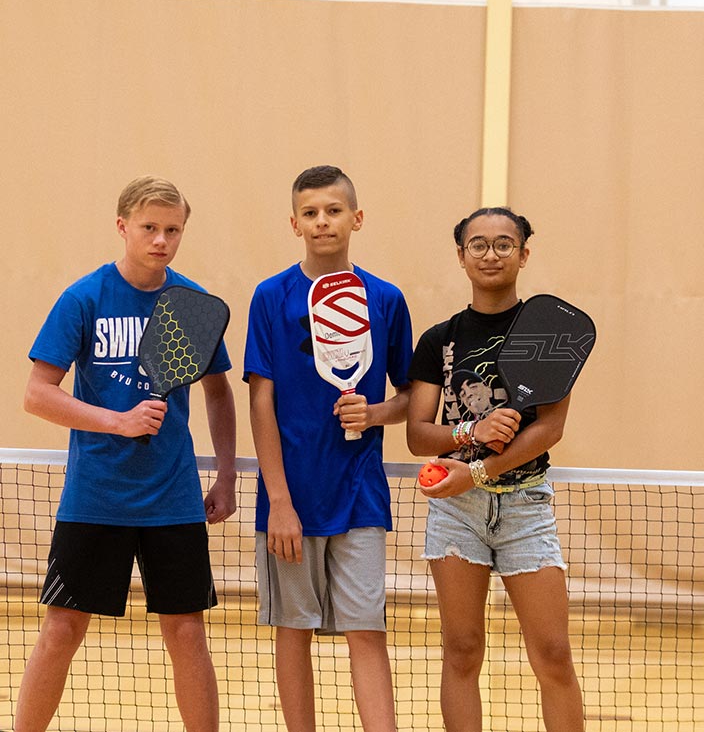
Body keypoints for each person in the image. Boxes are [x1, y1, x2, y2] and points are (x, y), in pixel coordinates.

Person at [16, 175, 237, 732]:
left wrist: (228, 475)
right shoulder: (84, 298)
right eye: (149, 228)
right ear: (122, 227)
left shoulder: (190, 304)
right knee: (62, 628)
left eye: (173, 230)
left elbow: (218, 393)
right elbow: (37, 395)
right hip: (96, 496)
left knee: (186, 632)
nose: (161, 240)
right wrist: (117, 421)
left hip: (173, 499)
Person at [243, 165, 412, 732]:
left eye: (334, 210)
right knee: (293, 632)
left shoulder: (386, 299)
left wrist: (377, 412)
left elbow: (412, 395)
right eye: (310, 213)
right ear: (294, 223)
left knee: (367, 629)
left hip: (360, 494)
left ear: (356, 218)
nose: (323, 222)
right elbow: (261, 403)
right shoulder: (270, 297)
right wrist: (280, 502)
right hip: (290, 500)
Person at [407, 207, 585, 732]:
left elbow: (549, 428)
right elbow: (419, 434)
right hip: (455, 510)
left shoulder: (552, 330)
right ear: (461, 256)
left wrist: (480, 471)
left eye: (504, 244)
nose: (491, 254)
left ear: (524, 254)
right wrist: (471, 433)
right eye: (478, 244)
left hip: (526, 506)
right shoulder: (439, 339)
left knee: (552, 652)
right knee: (461, 649)